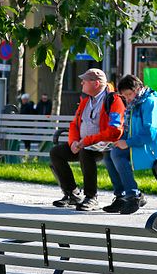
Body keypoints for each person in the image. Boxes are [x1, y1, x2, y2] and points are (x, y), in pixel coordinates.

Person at [49, 68, 126, 211]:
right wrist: (73, 142)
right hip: (85, 143)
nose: (81, 82)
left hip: (106, 144)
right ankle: (72, 194)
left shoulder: (114, 100)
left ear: (96, 83)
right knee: (56, 152)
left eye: (85, 80)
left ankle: (91, 197)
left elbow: (115, 131)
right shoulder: (85, 101)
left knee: (86, 152)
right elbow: (74, 124)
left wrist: (87, 141)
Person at [102, 75, 157, 214]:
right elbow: (131, 130)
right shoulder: (137, 103)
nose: (127, 99)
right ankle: (121, 197)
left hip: (155, 148)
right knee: (109, 153)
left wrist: (127, 143)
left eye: (129, 94)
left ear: (139, 88)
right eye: (124, 96)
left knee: (117, 154)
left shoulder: (151, 103)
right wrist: (116, 141)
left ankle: (133, 196)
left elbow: (150, 133)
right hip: (143, 144)